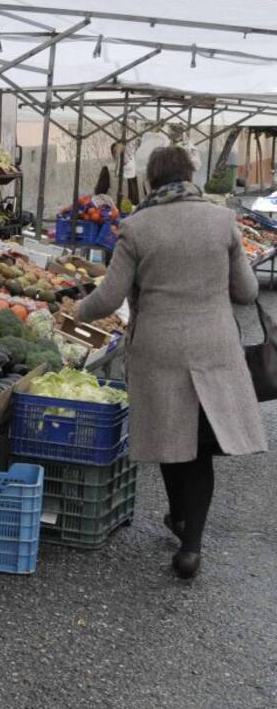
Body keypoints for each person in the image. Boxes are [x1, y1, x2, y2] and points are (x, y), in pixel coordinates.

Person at [75, 146, 267, 579]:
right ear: (191, 177)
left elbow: (109, 297)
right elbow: (247, 292)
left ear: (151, 181)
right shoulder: (222, 221)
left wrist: (74, 311)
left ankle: (179, 517)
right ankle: (191, 544)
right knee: (200, 447)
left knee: (171, 436)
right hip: (213, 347)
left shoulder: (137, 226)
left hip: (158, 349)